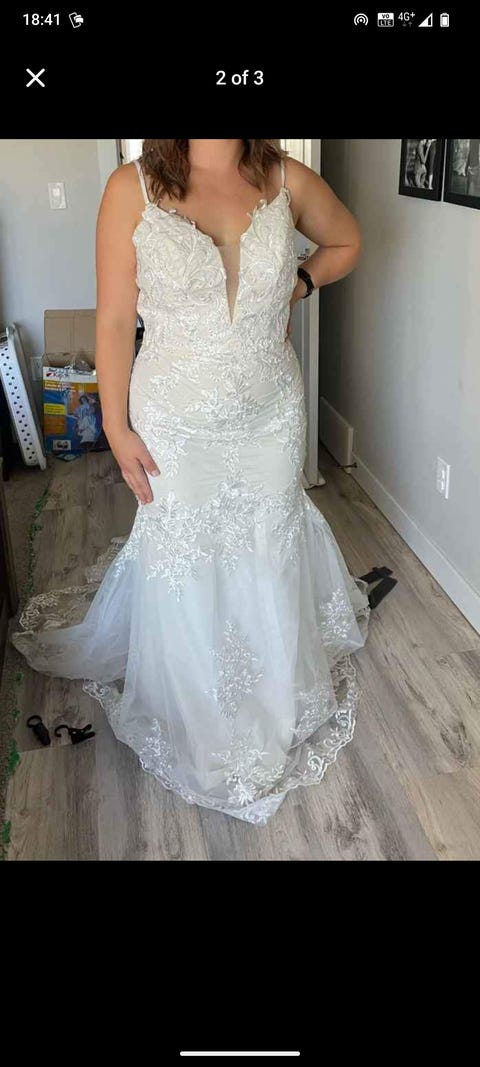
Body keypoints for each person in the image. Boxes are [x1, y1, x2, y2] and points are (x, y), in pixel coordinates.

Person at [12, 139, 371, 825]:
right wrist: (114, 427)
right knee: (187, 553)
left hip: (269, 412)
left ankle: (271, 694)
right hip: (175, 420)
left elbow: (346, 242)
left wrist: (297, 285)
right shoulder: (131, 188)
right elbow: (114, 317)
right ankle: (197, 711)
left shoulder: (287, 177)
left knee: (267, 545)